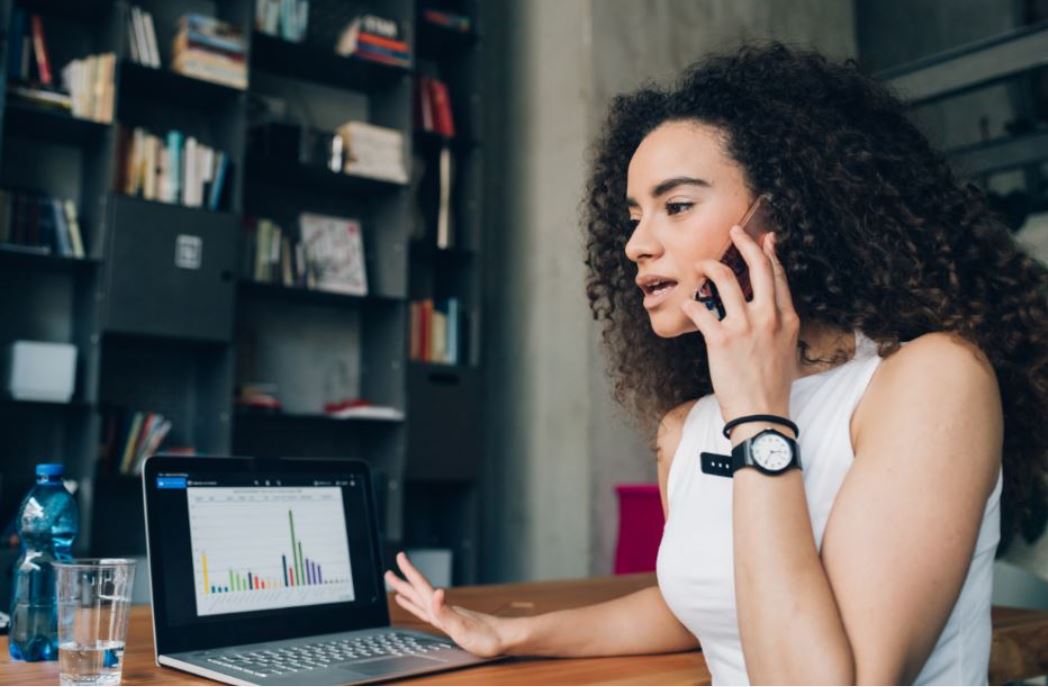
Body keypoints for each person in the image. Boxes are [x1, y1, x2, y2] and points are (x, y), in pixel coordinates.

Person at [385, 42, 1048, 684]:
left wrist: (760, 417)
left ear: (780, 216)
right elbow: (705, 606)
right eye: (635, 217)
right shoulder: (686, 429)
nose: (638, 245)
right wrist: (511, 634)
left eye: (676, 206)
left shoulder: (931, 381)